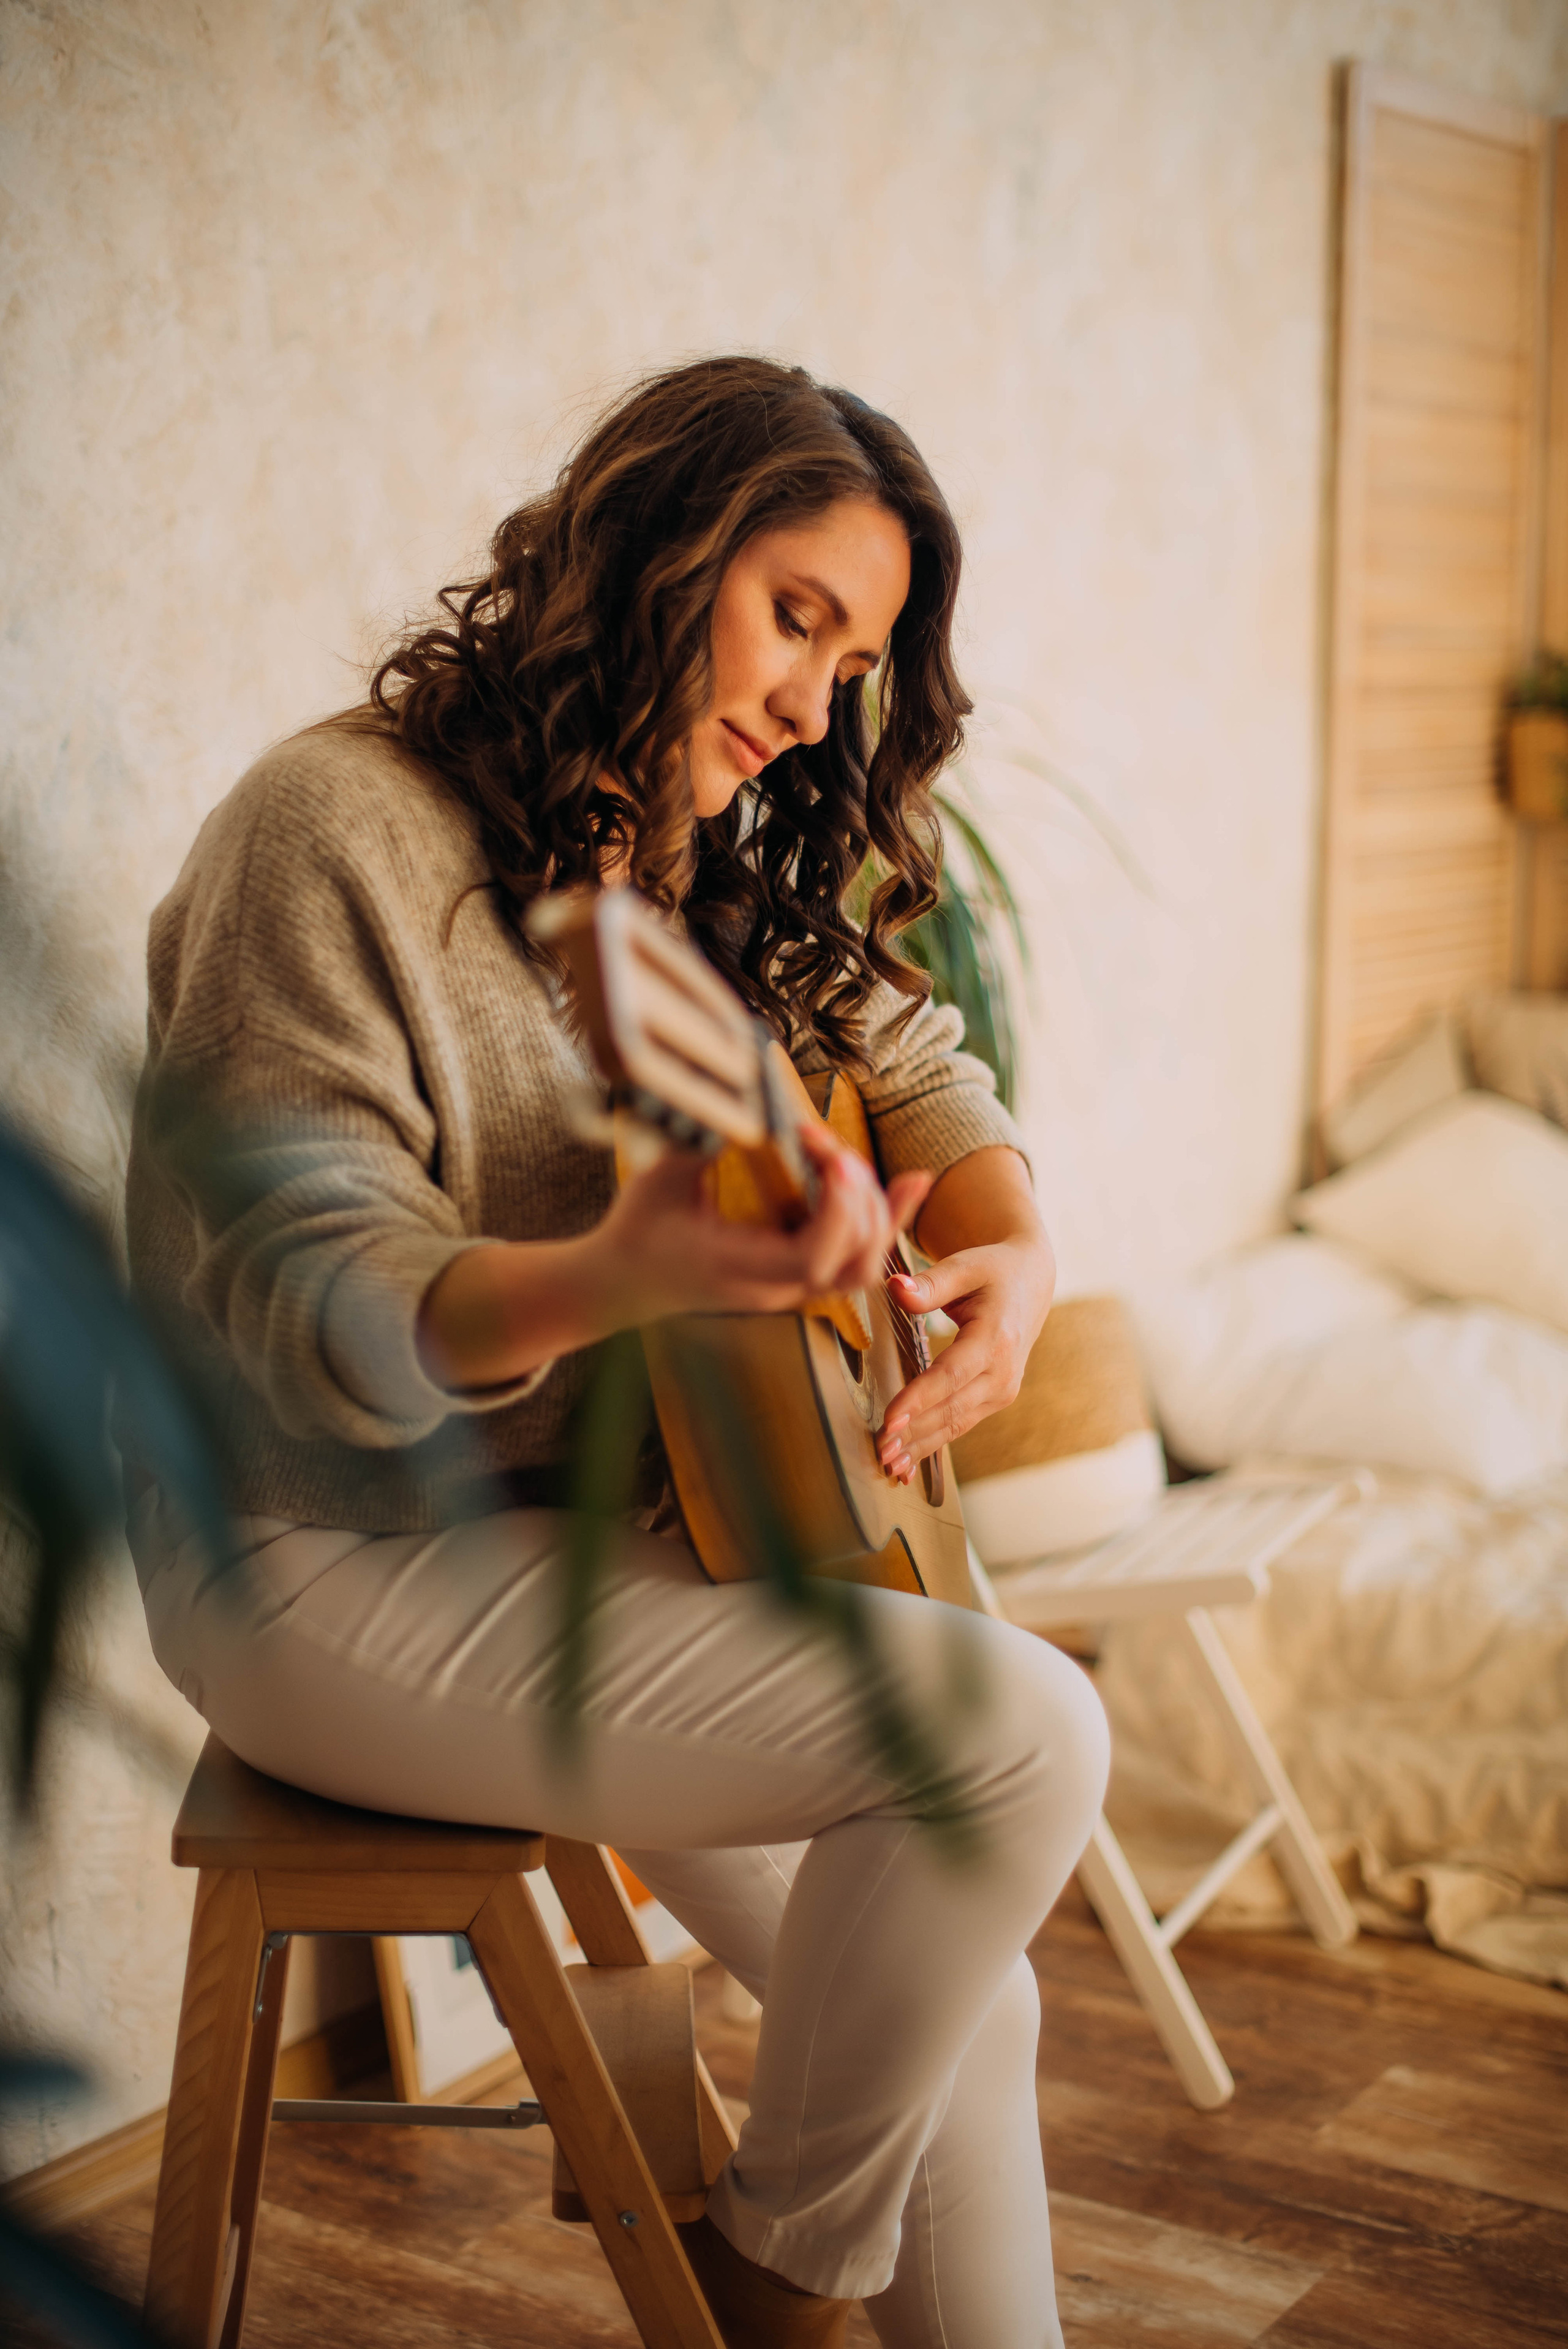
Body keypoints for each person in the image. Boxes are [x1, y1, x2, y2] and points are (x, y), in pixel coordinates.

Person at [126, 356, 1109, 2349]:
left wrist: (1009, 1247)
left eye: (858, 658)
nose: (814, 700)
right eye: (795, 617)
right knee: (1022, 1738)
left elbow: (919, 1058)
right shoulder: (331, 832)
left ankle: (799, 2261)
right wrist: (617, 1268)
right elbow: (321, 1308)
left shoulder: (680, 847)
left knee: (974, 1994)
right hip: (318, 1560)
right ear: (657, 556)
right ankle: (773, 2281)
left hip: (613, 1540)